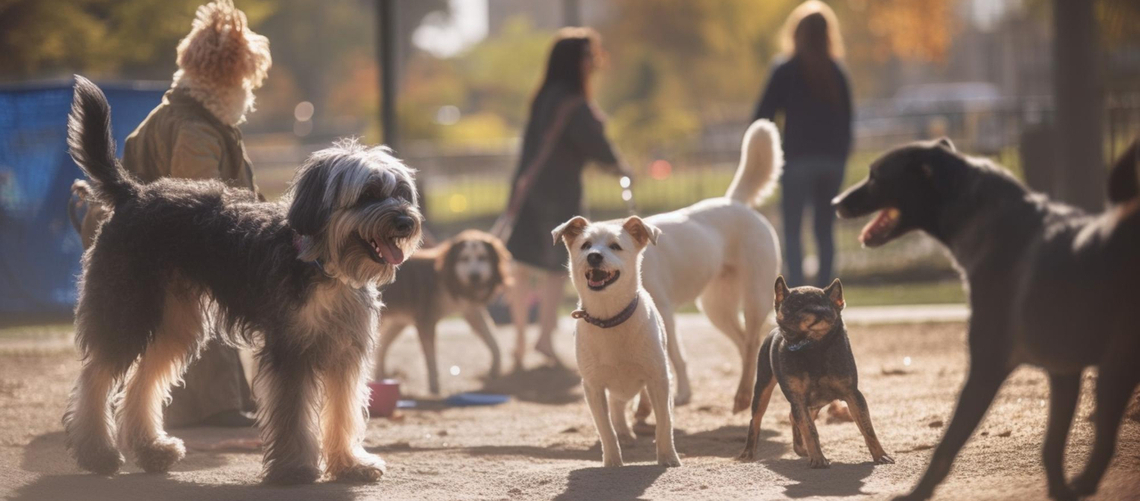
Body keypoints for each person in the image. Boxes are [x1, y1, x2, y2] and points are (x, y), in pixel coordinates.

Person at [77, 0, 271, 427]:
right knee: (140, 334)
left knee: (169, 334)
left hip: (147, 231)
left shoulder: (199, 117)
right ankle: (214, 407)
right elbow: (207, 211)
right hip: (150, 240)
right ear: (237, 74)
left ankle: (191, 409)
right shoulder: (196, 129)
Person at [504, 27, 630, 369]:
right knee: (556, 270)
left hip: (527, 188)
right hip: (559, 194)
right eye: (590, 56)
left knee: (522, 265)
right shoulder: (574, 102)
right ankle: (544, 337)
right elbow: (595, 144)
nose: (595, 62)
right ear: (576, 61)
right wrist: (619, 166)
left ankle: (518, 342)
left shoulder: (543, 96)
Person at [753, 1, 852, 287]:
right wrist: (841, 157)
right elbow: (848, 120)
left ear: (795, 33)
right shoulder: (837, 72)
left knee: (793, 231)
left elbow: (762, 116)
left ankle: (796, 290)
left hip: (796, 160)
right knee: (825, 230)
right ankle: (827, 293)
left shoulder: (785, 70)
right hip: (832, 161)